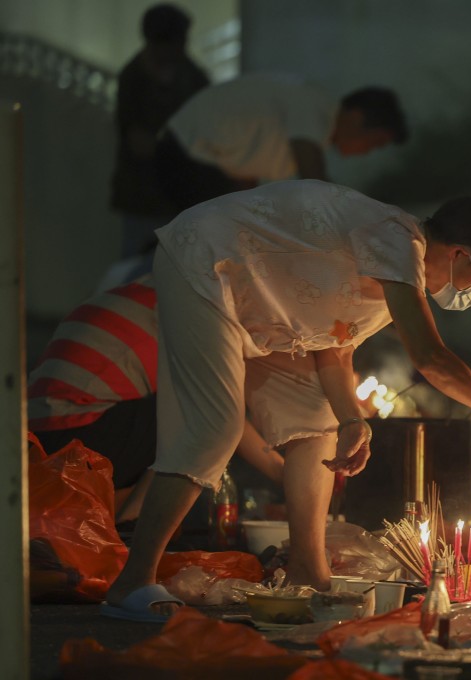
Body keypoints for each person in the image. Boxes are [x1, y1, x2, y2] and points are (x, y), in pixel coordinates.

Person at [101, 179, 471, 622]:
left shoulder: (393, 280)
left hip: (263, 308)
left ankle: (308, 572)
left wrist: (352, 419)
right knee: (214, 430)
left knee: (318, 424)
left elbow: (334, 347)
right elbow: (431, 358)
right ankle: (133, 581)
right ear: (459, 255)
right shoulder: (398, 240)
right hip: (205, 260)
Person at [27, 276, 285, 524]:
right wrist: (282, 473)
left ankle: (127, 526)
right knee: (196, 414)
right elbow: (219, 413)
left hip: (36, 435)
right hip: (74, 432)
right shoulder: (197, 310)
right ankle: (134, 525)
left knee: (185, 411)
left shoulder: (161, 287)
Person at [154, 75, 408, 212]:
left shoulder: (310, 125)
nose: (367, 152)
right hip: (184, 153)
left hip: (194, 158)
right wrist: (356, 216)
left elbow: (246, 177)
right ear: (357, 117)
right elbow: (316, 183)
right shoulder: (316, 106)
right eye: (375, 143)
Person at [110, 3, 209, 259]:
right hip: (143, 196)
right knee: (137, 265)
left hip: (183, 194)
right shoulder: (133, 79)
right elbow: (138, 143)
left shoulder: (192, 76)